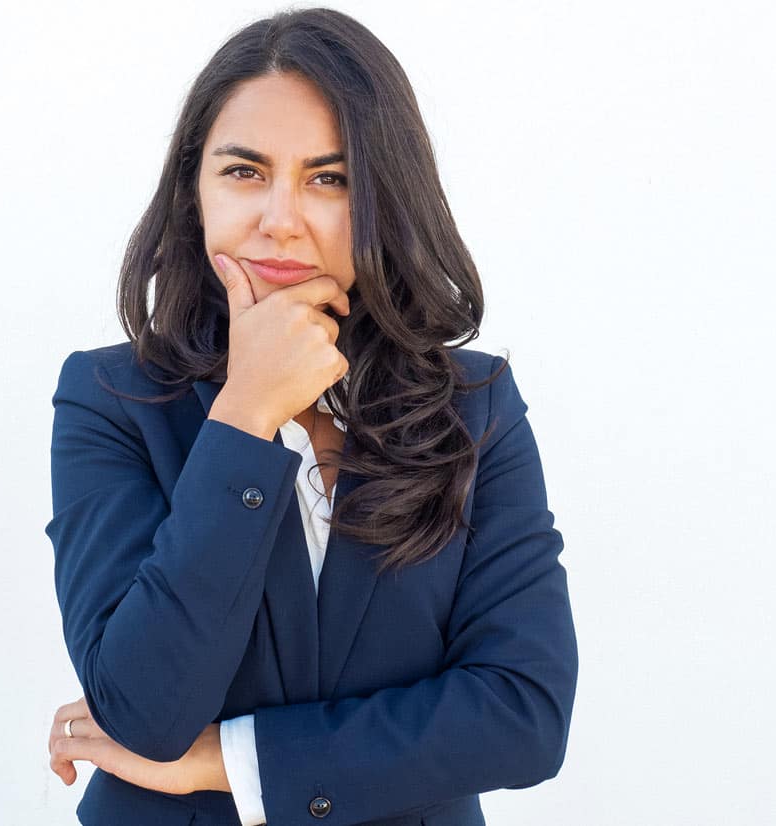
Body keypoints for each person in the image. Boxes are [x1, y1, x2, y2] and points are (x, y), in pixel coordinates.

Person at [43, 7, 578, 825]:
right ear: (195, 190)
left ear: (382, 201)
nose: (281, 218)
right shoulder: (111, 400)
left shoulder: (475, 406)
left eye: (329, 178)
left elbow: (523, 714)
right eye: (244, 172)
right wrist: (246, 413)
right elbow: (145, 713)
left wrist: (233, 761)